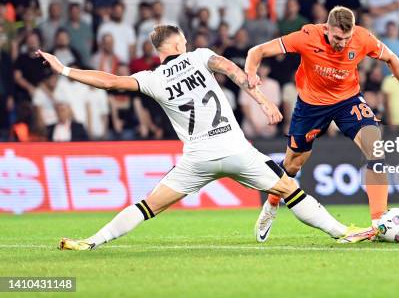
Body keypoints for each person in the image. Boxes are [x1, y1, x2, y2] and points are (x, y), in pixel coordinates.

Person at [38, 25, 375, 251]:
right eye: (181, 38)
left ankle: (91, 242)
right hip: (235, 147)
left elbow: (110, 81)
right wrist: (263, 101)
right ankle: (342, 232)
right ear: (174, 43)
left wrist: (64, 70)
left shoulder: (152, 79)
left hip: (197, 158)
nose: (185, 42)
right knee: (289, 190)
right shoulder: (200, 57)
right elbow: (234, 71)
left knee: (147, 206)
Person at [245, 6, 399, 242]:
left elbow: (392, 58)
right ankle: (271, 205)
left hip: (347, 101)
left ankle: (378, 222)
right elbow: (256, 51)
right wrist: (251, 72)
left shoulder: (362, 38)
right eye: (338, 38)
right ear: (326, 28)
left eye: (346, 38)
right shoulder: (306, 36)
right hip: (311, 106)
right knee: (292, 165)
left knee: (376, 149)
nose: (342, 43)